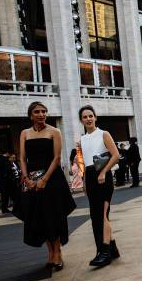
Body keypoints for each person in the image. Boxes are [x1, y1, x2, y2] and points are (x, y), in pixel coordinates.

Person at [15, 101, 76, 271]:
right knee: (40, 218)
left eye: (44, 111)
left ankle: (58, 253)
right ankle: (50, 254)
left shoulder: (55, 131)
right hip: (31, 180)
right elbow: (22, 157)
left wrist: (44, 179)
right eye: (37, 112)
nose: (41, 114)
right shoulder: (24, 133)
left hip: (52, 179)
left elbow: (57, 158)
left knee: (53, 216)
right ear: (30, 115)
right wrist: (26, 178)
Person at [79, 105, 120, 268]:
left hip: (103, 176)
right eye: (85, 117)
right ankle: (113, 248)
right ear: (81, 120)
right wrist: (83, 181)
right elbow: (85, 161)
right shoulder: (81, 139)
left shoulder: (104, 134)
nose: (88, 119)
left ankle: (104, 253)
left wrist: (103, 172)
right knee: (96, 215)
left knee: (102, 215)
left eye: (91, 116)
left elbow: (116, 155)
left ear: (95, 117)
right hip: (90, 177)